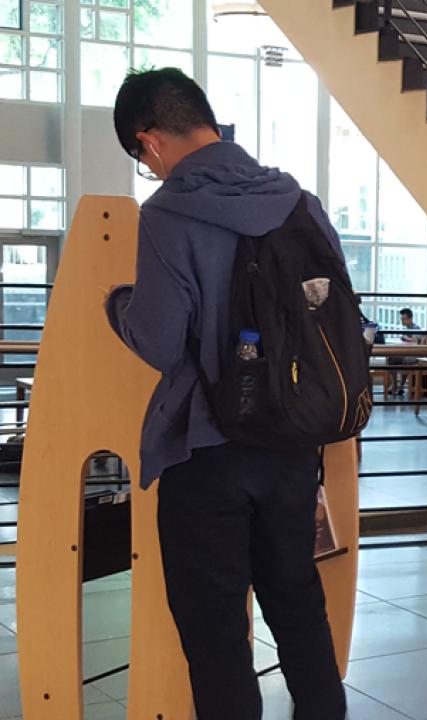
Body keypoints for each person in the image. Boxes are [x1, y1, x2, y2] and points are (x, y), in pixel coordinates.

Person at [105, 68, 347, 719]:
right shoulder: (298, 201)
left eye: (143, 159)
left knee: (217, 641)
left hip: (207, 451)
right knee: (298, 612)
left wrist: (118, 305)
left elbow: (158, 341)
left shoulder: (167, 216)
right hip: (293, 446)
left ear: (149, 140)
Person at [388, 307, 420, 396]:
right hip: (405, 352)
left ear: (410, 318)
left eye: (404, 319)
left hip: (413, 354)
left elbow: (416, 341)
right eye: (401, 319)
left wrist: (406, 338)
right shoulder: (405, 329)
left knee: (406, 360)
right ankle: (394, 384)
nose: (402, 321)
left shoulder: (416, 328)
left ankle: (401, 386)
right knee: (391, 359)